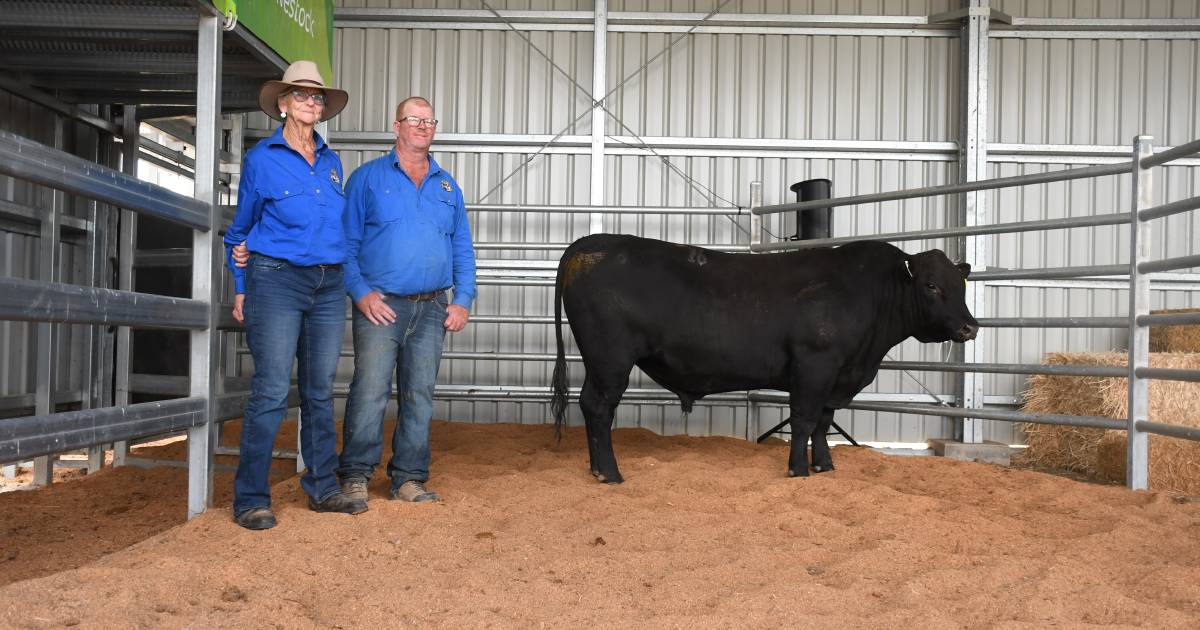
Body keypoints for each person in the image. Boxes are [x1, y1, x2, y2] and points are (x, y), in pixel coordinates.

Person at [224, 61, 367, 530]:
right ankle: (250, 498)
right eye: (301, 95)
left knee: (319, 389)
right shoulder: (262, 159)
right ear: (282, 103)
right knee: (269, 390)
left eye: (317, 97)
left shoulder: (330, 161)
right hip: (277, 279)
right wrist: (241, 285)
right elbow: (239, 232)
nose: (311, 102)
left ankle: (324, 488)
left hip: (327, 282)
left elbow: (339, 227)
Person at [336, 96, 477, 504]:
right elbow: (345, 242)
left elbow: (462, 247)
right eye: (413, 119)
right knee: (370, 389)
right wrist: (360, 293)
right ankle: (356, 475)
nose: (422, 126)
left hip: (433, 306)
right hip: (382, 305)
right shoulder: (366, 179)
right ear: (395, 126)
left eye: (429, 120)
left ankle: (408, 478)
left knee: (419, 393)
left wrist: (463, 297)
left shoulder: (447, 186)